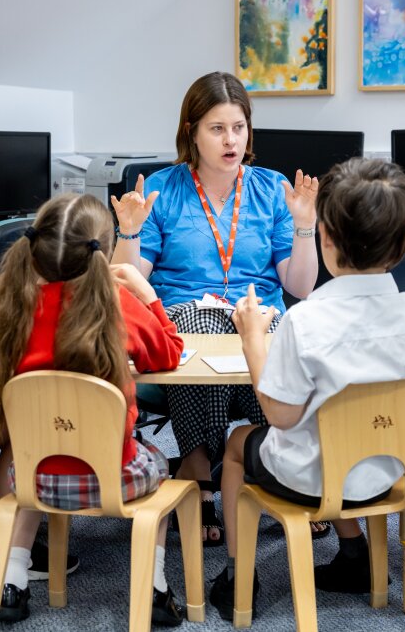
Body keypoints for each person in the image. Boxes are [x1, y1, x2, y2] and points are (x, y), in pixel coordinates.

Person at [205, 158, 405, 620]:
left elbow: (280, 416)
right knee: (337, 432)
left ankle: (239, 577)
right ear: (404, 246)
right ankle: (353, 553)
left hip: (310, 477)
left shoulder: (304, 321)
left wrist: (253, 340)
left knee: (238, 442)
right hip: (388, 471)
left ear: (326, 238)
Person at [109, 71, 320, 546]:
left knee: (279, 327)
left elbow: (300, 285)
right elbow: (125, 282)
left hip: (255, 318)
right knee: (200, 320)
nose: (231, 141)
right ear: (191, 132)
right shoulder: (162, 188)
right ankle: (199, 466)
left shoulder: (272, 188)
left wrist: (304, 225)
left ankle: (281, 468)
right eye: (217, 129)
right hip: (185, 322)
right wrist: (129, 231)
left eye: (239, 128)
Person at [0, 193, 186, 625]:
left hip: (36, 482)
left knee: (34, 457)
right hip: (115, 480)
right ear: (102, 251)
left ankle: (12, 581)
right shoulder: (120, 305)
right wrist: (149, 295)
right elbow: (168, 354)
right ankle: (154, 588)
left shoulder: (15, 306)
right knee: (163, 462)